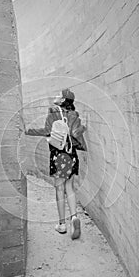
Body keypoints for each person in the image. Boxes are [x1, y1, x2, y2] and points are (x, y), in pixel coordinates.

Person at [25, 88, 87, 239]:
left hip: (58, 156)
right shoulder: (74, 115)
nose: (56, 96)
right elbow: (77, 133)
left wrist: (28, 131)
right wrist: (84, 126)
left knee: (59, 190)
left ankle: (62, 224)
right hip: (72, 155)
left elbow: (46, 130)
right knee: (70, 188)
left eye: (59, 95)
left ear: (63, 100)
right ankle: (74, 218)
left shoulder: (53, 112)